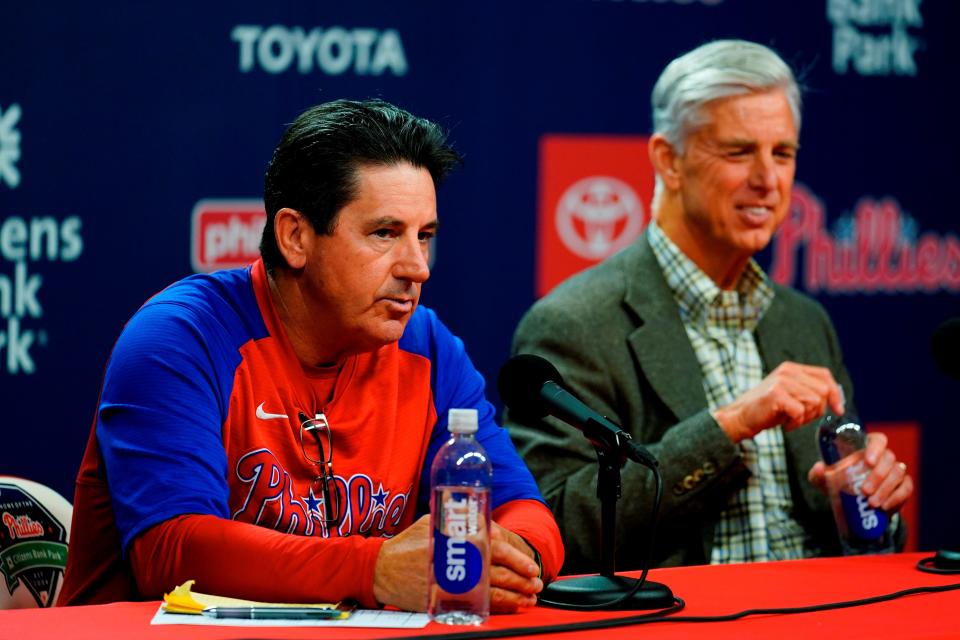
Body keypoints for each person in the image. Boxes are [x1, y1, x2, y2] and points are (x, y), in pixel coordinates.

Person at [60, 99, 563, 611]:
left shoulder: (427, 347)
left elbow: (525, 511)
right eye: (385, 233)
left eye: (425, 236)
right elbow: (170, 552)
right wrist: (375, 570)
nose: (418, 267)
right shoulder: (180, 338)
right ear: (295, 237)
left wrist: (512, 556)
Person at [505, 40, 913, 574]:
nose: (769, 180)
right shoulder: (576, 323)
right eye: (739, 152)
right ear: (668, 161)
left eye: (783, 153)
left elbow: (858, 534)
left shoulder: (803, 323)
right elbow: (557, 531)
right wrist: (728, 425)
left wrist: (864, 501)